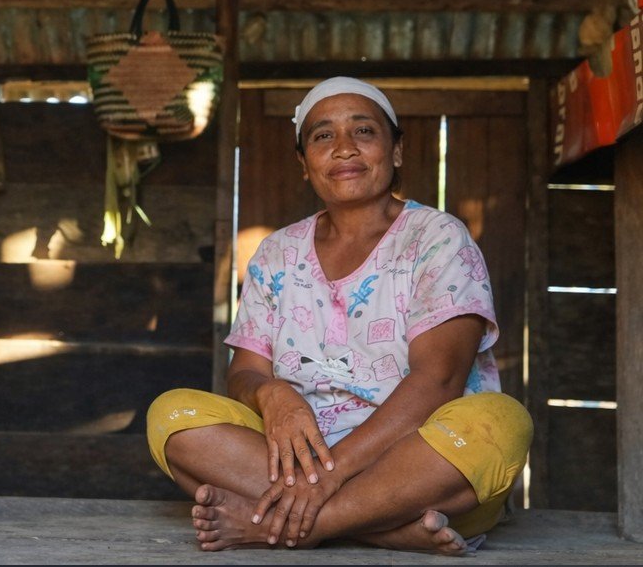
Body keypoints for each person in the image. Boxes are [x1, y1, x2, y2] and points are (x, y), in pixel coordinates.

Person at [146, 77, 532, 556]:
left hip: (419, 468)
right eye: (323, 135)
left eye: (364, 131)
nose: (344, 148)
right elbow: (244, 372)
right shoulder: (277, 253)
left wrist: (327, 479)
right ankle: (381, 529)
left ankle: (284, 525)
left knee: (501, 421)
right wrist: (273, 394)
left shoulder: (437, 238)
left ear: (396, 151)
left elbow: (440, 379)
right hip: (296, 465)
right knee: (172, 416)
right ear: (305, 164)